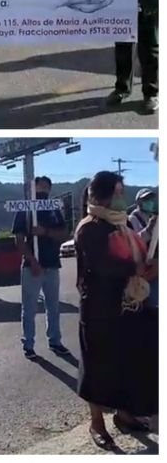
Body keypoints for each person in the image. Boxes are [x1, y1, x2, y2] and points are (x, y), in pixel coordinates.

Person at [74, 172, 158, 449]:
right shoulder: (89, 227)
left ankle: (124, 415)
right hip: (99, 308)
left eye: (123, 192)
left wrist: (149, 262)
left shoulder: (122, 226)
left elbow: (135, 254)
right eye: (118, 192)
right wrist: (142, 272)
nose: (122, 199)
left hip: (127, 307)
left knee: (126, 362)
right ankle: (96, 422)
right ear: (102, 196)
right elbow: (105, 267)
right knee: (97, 366)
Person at [11, 176, 69, 360]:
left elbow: (63, 234)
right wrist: (33, 261)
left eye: (45, 187)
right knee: (29, 308)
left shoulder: (54, 208)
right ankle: (28, 343)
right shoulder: (24, 210)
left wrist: (46, 232)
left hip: (52, 265)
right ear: (32, 189)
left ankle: (55, 341)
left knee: (53, 307)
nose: (42, 190)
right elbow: (18, 241)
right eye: (39, 187)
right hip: (31, 267)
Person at [128, 188, 159, 308]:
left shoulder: (152, 216)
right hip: (144, 266)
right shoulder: (132, 219)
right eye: (146, 199)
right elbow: (134, 241)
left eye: (151, 199)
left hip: (155, 264)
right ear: (138, 202)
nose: (149, 202)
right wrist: (149, 229)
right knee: (148, 298)